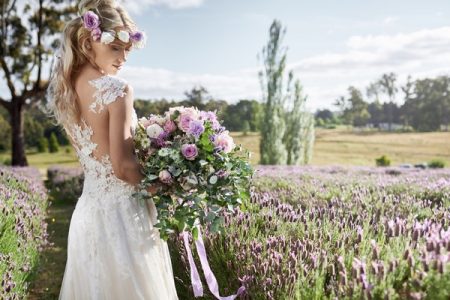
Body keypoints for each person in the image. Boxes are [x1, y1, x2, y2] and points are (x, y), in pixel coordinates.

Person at [46, 0, 179, 299]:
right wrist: (167, 186)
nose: (123, 59)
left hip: (88, 214)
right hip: (123, 216)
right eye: (114, 47)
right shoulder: (118, 90)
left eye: (126, 49)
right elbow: (122, 167)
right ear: (89, 41)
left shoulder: (69, 88)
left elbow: (97, 156)